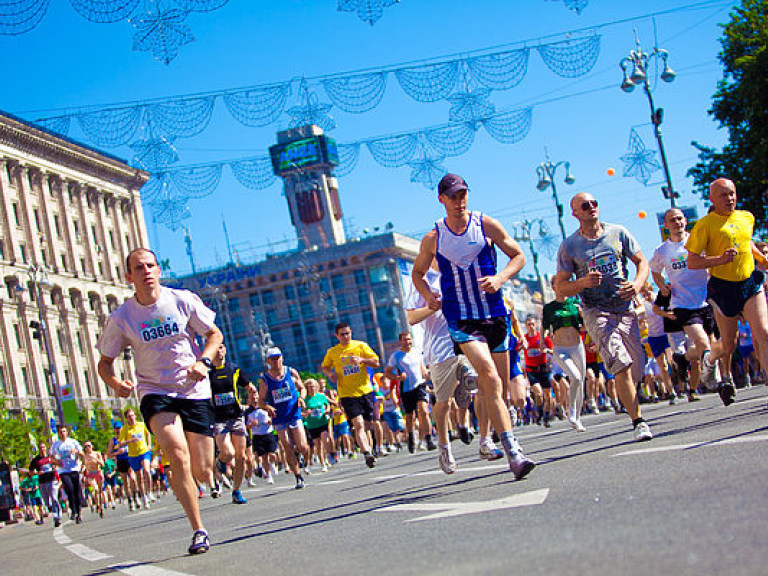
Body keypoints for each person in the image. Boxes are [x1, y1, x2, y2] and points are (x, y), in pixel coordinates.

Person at [97, 247, 223, 555]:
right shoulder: (122, 317)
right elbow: (104, 362)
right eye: (138, 268)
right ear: (129, 276)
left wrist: (203, 362)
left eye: (150, 265)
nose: (146, 271)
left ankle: (204, 476)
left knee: (203, 469)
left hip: (193, 388)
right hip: (155, 391)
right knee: (176, 453)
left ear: (158, 270)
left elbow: (214, 334)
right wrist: (115, 383)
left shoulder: (181, 299)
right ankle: (199, 530)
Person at [411, 173, 535, 480]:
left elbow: (518, 256)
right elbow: (417, 273)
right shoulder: (433, 237)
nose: (459, 200)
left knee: (500, 390)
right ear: (442, 199)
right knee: (488, 376)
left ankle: (489, 440)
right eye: (453, 195)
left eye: (463, 193)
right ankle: (513, 453)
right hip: (462, 320)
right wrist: (429, 297)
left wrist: (501, 278)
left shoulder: (486, 224)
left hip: (495, 315)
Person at [555, 192, 653, 441]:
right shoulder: (570, 246)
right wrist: (583, 282)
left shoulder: (618, 233)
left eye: (594, 203)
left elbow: (642, 262)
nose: (591, 208)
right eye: (585, 206)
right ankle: (638, 421)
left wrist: (638, 284)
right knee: (620, 363)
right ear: (575, 213)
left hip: (624, 308)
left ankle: (629, 396)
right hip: (596, 311)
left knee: (636, 366)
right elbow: (562, 288)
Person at [686, 178, 768, 405]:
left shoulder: (746, 217)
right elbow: (692, 262)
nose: (729, 198)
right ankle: (711, 360)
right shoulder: (705, 225)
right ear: (711, 199)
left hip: (750, 282)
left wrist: (762, 259)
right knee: (729, 345)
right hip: (723, 287)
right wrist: (720, 259)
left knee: (764, 332)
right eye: (723, 195)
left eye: (732, 193)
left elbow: (746, 242)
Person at [406, 261, 478, 474]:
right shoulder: (423, 280)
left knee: (471, 378)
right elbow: (411, 317)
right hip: (438, 348)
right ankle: (444, 446)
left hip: (465, 338)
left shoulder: (462, 272)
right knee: (443, 401)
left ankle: (466, 424)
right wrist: (431, 306)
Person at [650, 208, 719, 401]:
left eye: (679, 219)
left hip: (706, 300)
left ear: (686, 220)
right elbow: (654, 271)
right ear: (666, 225)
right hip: (683, 304)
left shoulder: (697, 241)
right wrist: (662, 285)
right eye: (672, 220)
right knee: (703, 343)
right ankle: (714, 380)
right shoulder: (662, 250)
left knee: (712, 346)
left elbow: (712, 262)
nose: (677, 223)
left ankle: (683, 359)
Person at [321, 323, 380, 469]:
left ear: (351, 332)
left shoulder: (360, 346)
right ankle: (366, 453)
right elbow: (324, 367)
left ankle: (370, 450)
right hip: (347, 394)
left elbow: (376, 362)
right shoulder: (333, 352)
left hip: (365, 391)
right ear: (337, 336)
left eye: (347, 333)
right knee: (358, 424)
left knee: (367, 425)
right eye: (342, 334)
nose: (345, 337)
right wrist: (330, 374)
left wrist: (362, 360)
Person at [258, 347, 310, 489]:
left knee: (303, 446)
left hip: (293, 413)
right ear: (268, 361)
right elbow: (260, 401)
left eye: (278, 357)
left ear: (282, 358)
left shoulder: (291, 372)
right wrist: (267, 407)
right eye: (273, 359)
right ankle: (298, 476)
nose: (276, 361)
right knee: (287, 446)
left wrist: (301, 398)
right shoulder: (265, 380)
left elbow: (302, 387)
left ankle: (301, 455)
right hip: (279, 418)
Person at [209, 343, 254, 504]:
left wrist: (252, 392)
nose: (219, 351)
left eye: (221, 347)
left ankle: (236, 490)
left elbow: (248, 385)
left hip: (236, 417)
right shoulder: (208, 373)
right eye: (216, 348)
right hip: (218, 419)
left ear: (225, 350)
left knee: (240, 456)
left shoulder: (234, 369)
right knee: (228, 453)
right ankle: (220, 462)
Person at [542, 279, 587, 432]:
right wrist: (543, 343)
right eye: (558, 284)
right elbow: (544, 327)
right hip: (560, 349)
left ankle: (577, 417)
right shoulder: (549, 308)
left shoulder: (574, 303)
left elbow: (585, 325)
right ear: (553, 287)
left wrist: (583, 315)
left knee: (581, 381)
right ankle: (571, 413)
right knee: (575, 377)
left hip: (577, 347)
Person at [385, 332, 436, 453]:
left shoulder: (417, 352)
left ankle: (429, 439)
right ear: (400, 341)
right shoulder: (396, 356)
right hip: (406, 388)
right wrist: (397, 378)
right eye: (404, 340)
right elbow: (387, 373)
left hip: (420, 385)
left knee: (424, 410)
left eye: (409, 339)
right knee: (410, 416)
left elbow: (423, 371)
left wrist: (431, 378)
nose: (407, 342)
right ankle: (411, 438)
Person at [118, 408, 153, 509]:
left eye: (133, 415)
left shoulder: (141, 425)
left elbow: (147, 434)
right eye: (129, 416)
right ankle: (144, 498)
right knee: (139, 477)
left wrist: (149, 444)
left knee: (146, 470)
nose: (132, 418)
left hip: (144, 451)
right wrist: (130, 441)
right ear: (126, 418)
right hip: (133, 455)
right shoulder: (125, 429)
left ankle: (149, 492)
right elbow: (121, 443)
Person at [523, 315, 555, 427]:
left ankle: (546, 416)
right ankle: (540, 414)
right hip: (531, 370)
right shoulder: (524, 338)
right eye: (528, 324)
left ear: (536, 325)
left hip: (544, 368)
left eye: (532, 324)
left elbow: (553, 351)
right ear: (525, 326)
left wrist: (546, 350)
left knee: (548, 395)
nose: (531, 327)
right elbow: (516, 349)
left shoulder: (543, 338)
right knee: (538, 393)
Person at [50, 426, 84, 523]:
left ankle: (78, 512)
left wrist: (76, 452)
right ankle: (73, 509)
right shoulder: (56, 445)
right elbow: (51, 457)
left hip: (74, 469)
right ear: (58, 433)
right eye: (60, 432)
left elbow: (82, 454)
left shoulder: (73, 442)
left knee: (77, 491)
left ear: (67, 432)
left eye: (64, 431)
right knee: (69, 489)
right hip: (63, 471)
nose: (62, 433)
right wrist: (57, 462)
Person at [108, 421, 138, 510]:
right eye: (116, 428)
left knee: (133, 479)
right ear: (114, 429)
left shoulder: (127, 437)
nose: (118, 430)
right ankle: (130, 500)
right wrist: (117, 452)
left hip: (129, 458)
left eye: (119, 428)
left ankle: (136, 496)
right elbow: (109, 454)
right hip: (120, 460)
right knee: (126, 482)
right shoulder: (113, 441)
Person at [29, 441, 61, 527]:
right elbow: (30, 471)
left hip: (52, 480)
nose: (42, 449)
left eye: (43, 447)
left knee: (54, 498)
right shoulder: (36, 460)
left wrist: (56, 468)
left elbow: (59, 463)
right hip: (42, 482)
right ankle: (51, 508)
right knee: (47, 501)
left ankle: (57, 517)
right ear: (38, 449)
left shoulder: (51, 457)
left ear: (46, 448)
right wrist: (37, 473)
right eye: (40, 448)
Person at [303, 378, 332, 472]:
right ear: (306, 388)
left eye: (314, 386)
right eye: (310, 387)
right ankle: (323, 463)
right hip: (312, 425)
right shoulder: (305, 399)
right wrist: (306, 413)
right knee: (318, 445)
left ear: (317, 387)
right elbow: (301, 412)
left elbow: (327, 405)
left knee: (325, 439)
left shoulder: (321, 396)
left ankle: (327, 456)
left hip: (322, 422)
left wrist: (327, 410)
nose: (312, 388)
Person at [81, 441, 106, 518]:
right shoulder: (84, 456)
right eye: (85, 446)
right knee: (95, 489)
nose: (87, 448)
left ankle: (100, 506)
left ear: (92, 446)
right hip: (90, 474)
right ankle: (98, 505)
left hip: (98, 472)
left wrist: (96, 459)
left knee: (100, 491)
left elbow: (102, 464)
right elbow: (83, 466)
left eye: (88, 446)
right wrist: (81, 472)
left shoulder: (97, 454)